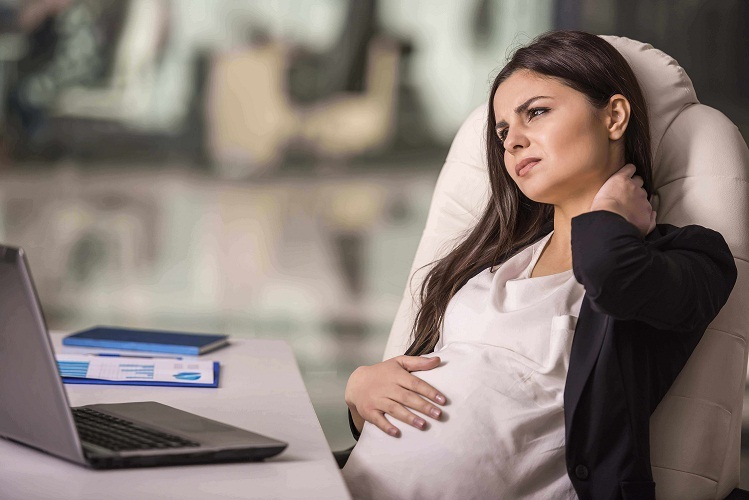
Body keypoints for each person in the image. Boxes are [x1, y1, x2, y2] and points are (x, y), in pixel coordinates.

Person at [340, 30, 737, 500]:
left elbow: (612, 276)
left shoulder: (690, 258)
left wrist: (606, 216)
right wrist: (360, 394)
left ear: (614, 116)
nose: (512, 142)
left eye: (537, 112)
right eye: (503, 130)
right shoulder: (490, 262)